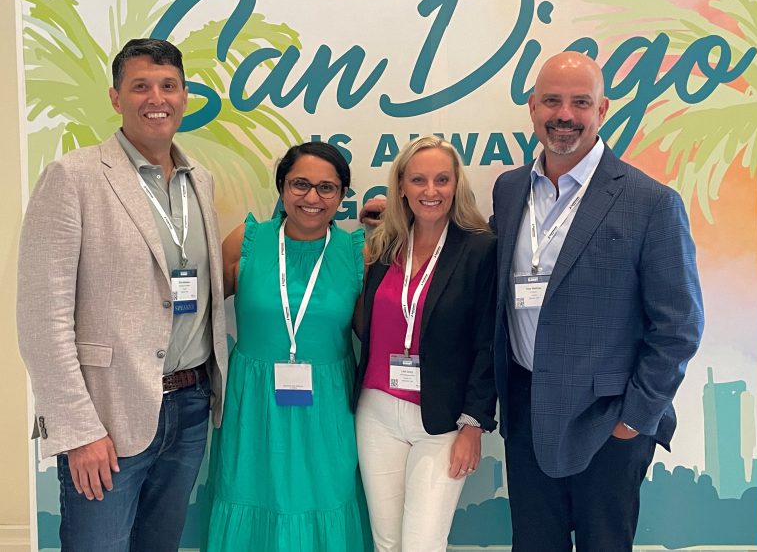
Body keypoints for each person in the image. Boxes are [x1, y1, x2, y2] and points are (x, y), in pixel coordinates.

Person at [360, 52, 704, 551]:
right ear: (532, 107)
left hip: (606, 419)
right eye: (552, 101)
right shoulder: (512, 187)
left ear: (602, 109)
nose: (564, 114)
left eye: (579, 102)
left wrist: (634, 420)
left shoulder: (650, 203)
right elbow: (469, 261)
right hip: (527, 410)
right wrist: (396, 220)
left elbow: (679, 327)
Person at [17, 38, 228, 552]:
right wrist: (77, 430)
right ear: (116, 98)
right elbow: (41, 319)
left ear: (184, 96)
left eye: (168, 85)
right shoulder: (74, 177)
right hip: (108, 414)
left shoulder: (200, 181)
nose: (156, 97)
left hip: (190, 406)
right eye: (140, 86)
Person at [205, 141, 371, 552]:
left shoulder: (357, 252)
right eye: (300, 184)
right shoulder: (247, 240)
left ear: (342, 196)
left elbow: (375, 332)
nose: (312, 197)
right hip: (254, 406)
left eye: (326, 188)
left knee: (325, 499)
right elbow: (196, 313)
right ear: (281, 187)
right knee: (251, 495)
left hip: (328, 407)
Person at [354, 135, 497, 552]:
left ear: (456, 185)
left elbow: (488, 344)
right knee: (387, 543)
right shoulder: (384, 245)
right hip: (376, 412)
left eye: (441, 180)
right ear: (401, 186)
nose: (430, 191)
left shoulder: (480, 249)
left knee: (422, 544)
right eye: (418, 180)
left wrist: (473, 423)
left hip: (442, 419)